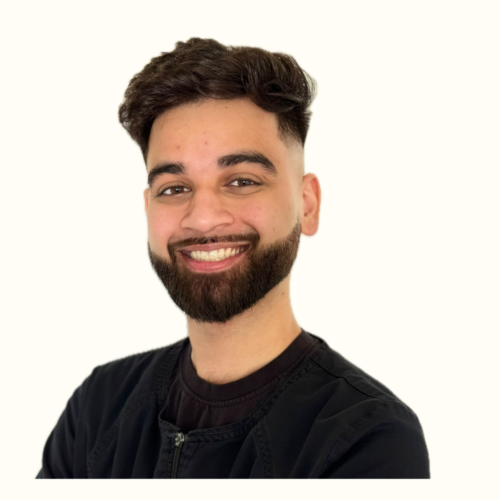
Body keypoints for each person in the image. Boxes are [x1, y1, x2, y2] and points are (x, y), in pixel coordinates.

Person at [36, 38, 430, 479]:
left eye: (242, 181)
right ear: (149, 210)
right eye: (174, 188)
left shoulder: (368, 438)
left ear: (307, 205)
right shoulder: (97, 408)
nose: (203, 217)